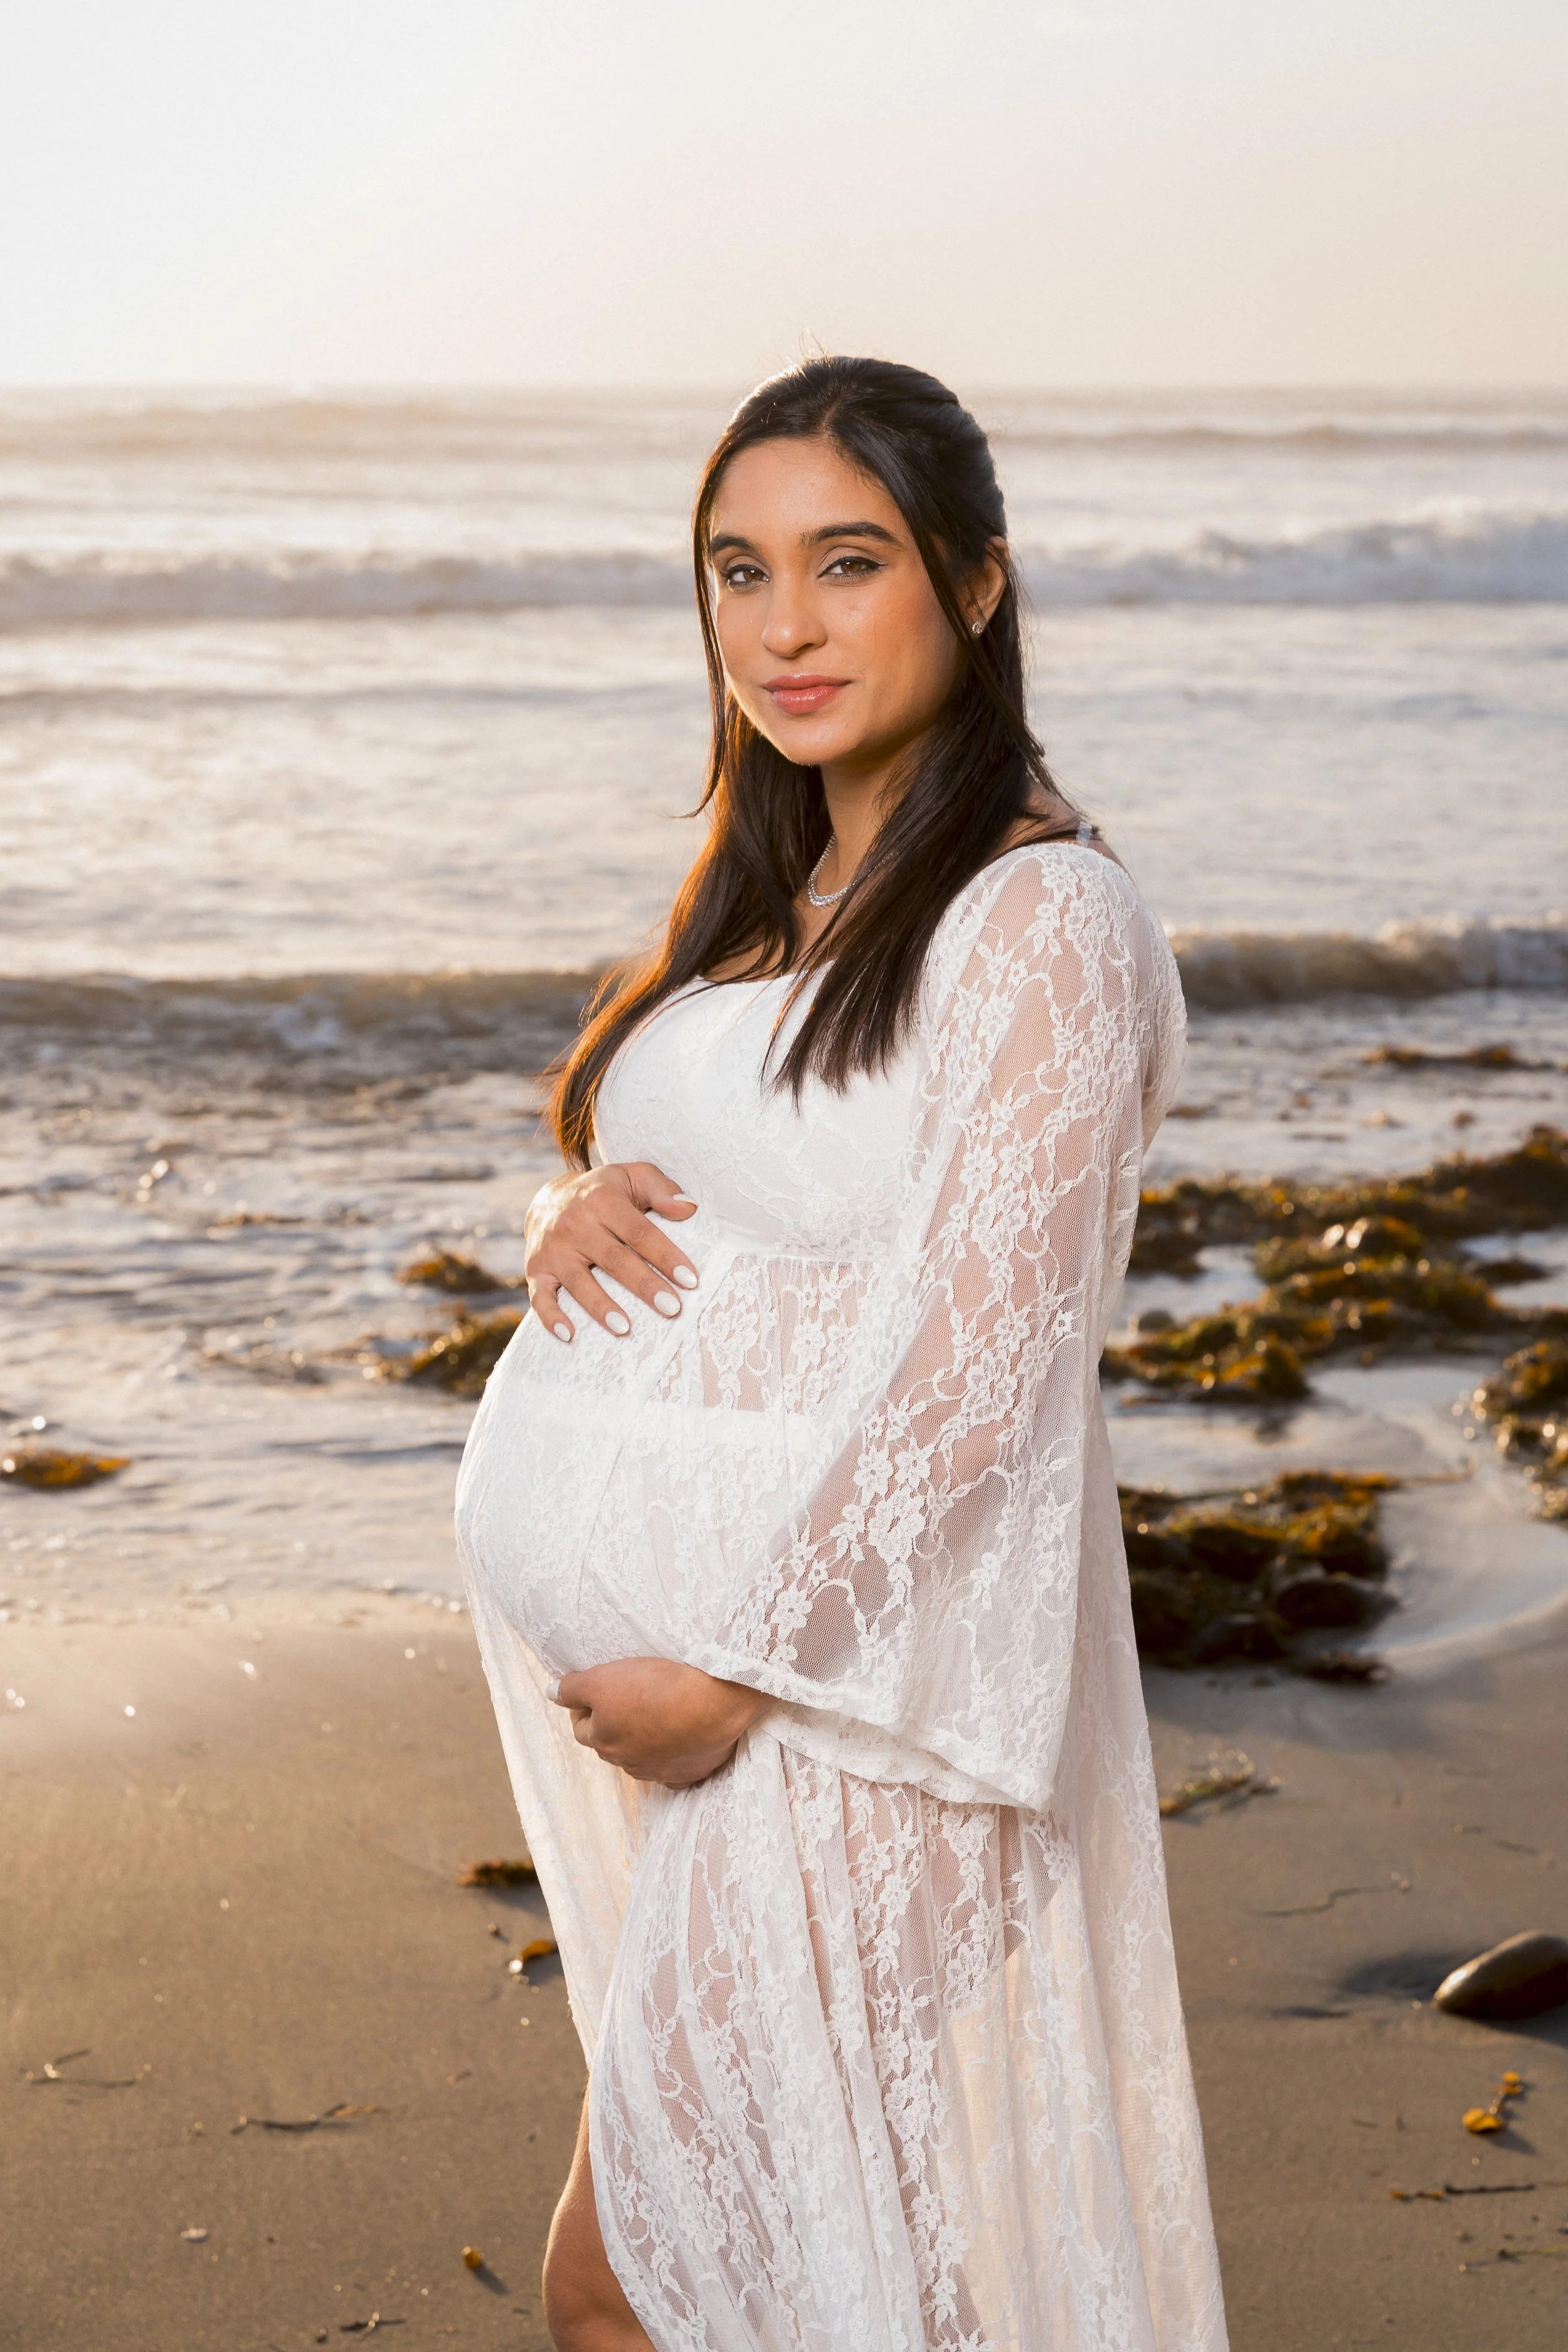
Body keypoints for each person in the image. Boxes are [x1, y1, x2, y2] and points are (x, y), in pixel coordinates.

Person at [457, 356, 1227, 2352]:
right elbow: (728, 1174)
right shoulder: (786, 886)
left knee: (632, 2285)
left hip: (869, 1704)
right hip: (766, 1705)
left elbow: (990, 1365)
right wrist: (559, 1213)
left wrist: (732, 1673)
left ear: (975, 582)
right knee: (832, 2274)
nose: (781, 626)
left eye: (846, 562)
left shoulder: (1038, 916)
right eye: (738, 570)